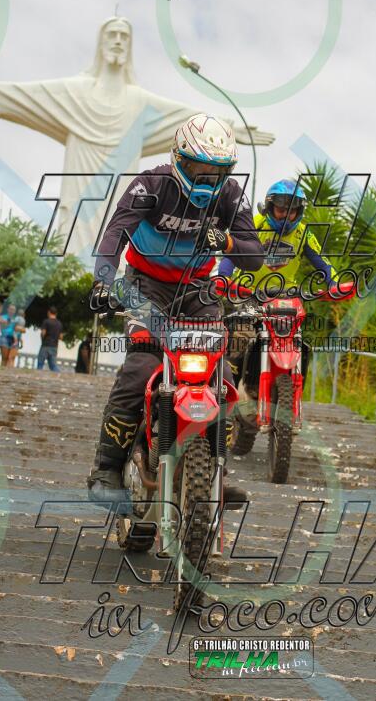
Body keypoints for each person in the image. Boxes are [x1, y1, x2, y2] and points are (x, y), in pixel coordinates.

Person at [0, 17, 274, 257]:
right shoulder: (76, 91)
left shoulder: (138, 102)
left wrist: (229, 129)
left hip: (121, 182)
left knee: (121, 226)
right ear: (101, 43)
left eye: (124, 36)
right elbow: (31, 95)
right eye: (112, 34)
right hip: (80, 178)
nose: (118, 41)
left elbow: (185, 120)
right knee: (74, 237)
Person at [87, 113, 264, 503]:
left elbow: (254, 257)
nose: (208, 180)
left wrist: (227, 242)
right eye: (199, 169)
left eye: (217, 172)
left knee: (221, 375)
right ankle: (106, 466)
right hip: (144, 286)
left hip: (197, 291)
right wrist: (103, 281)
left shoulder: (232, 195)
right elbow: (115, 232)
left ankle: (214, 472)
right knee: (142, 366)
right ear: (178, 159)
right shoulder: (150, 185)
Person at [218, 179, 338, 387]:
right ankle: (228, 392)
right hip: (250, 294)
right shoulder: (254, 225)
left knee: (297, 340)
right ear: (269, 206)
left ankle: (293, 382)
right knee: (240, 338)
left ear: (299, 212)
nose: (286, 216)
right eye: (281, 210)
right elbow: (232, 254)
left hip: (287, 298)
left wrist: (334, 284)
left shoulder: (303, 233)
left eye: (291, 212)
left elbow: (323, 262)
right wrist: (224, 277)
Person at [38, 307, 63, 372]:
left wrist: (42, 339)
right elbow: (61, 337)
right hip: (54, 346)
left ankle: (37, 376)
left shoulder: (46, 321)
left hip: (45, 345)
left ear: (49, 312)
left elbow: (43, 333)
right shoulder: (59, 324)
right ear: (56, 313)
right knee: (53, 366)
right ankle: (60, 374)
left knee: (40, 364)